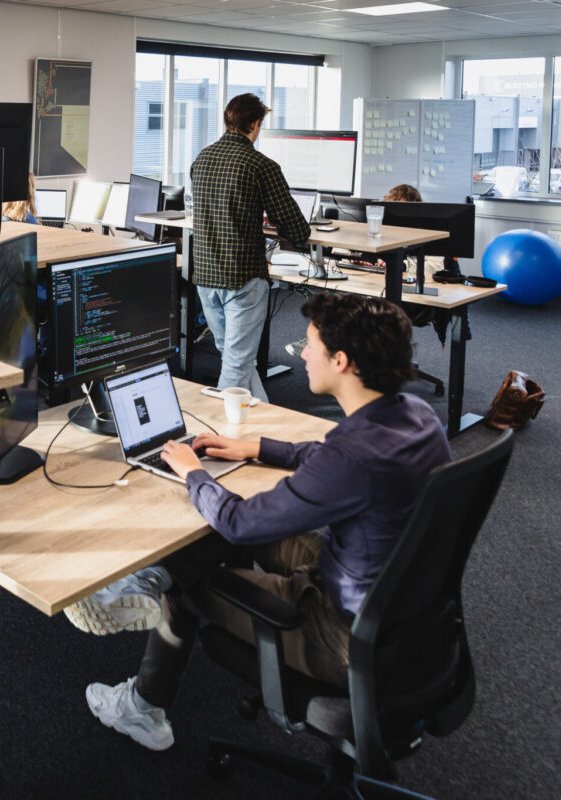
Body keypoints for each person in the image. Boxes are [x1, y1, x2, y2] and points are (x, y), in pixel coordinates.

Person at [67, 293, 451, 752]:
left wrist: (191, 472)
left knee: (202, 567)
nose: (303, 355)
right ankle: (146, 580)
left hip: (346, 634)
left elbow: (238, 521)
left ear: (341, 361)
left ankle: (142, 707)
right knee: (230, 529)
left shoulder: (352, 458)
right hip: (394, 599)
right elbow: (329, 457)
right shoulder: (415, 416)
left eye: (309, 345)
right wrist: (258, 448)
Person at [190, 93, 310, 402]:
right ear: (255, 124)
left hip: (205, 276)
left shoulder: (201, 159)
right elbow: (296, 228)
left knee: (233, 355)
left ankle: (262, 414)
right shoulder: (261, 165)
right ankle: (219, 425)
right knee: (237, 361)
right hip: (241, 277)